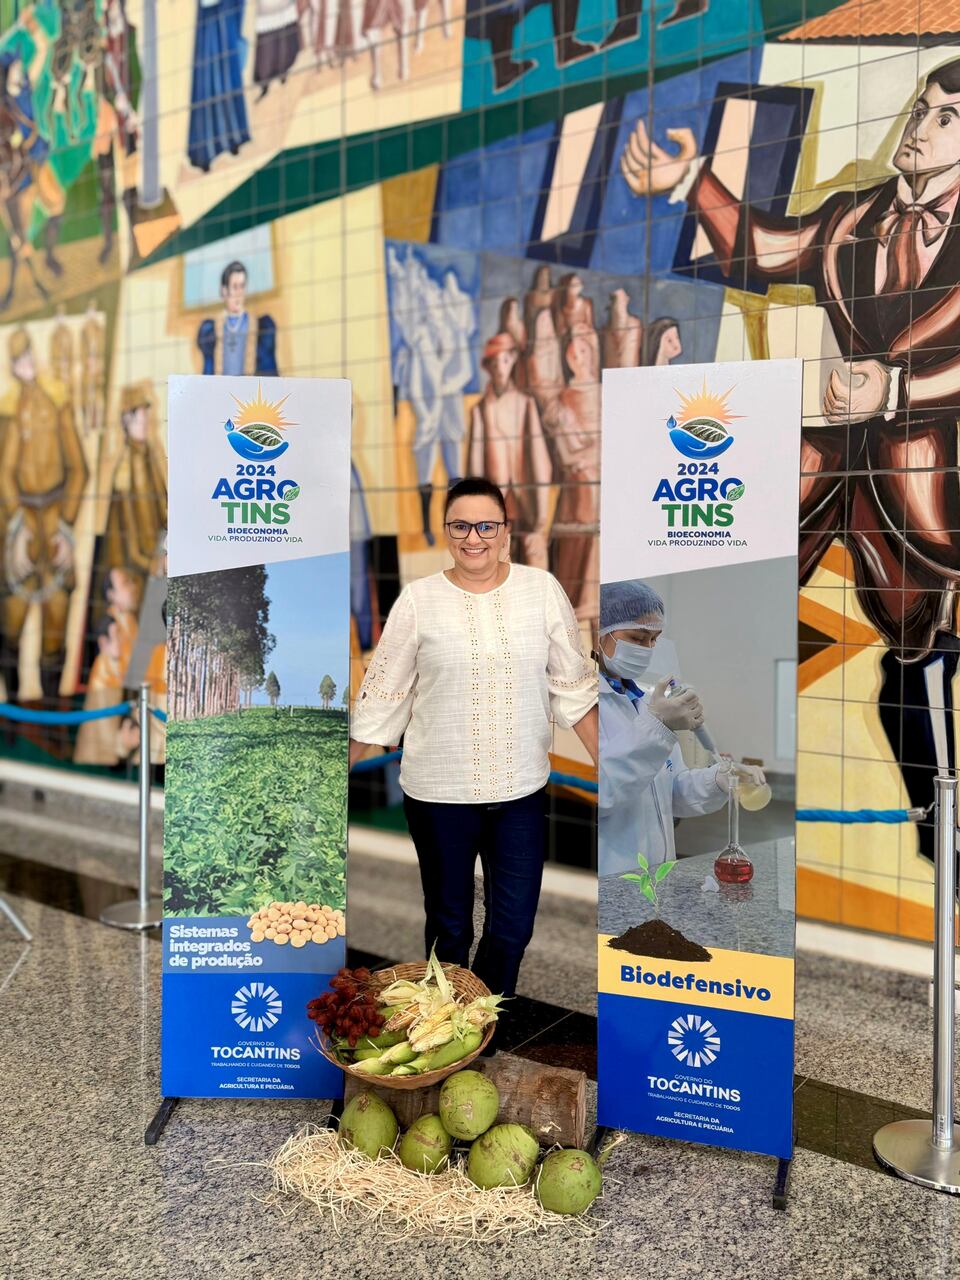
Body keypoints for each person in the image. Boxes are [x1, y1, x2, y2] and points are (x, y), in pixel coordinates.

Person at [619, 58, 960, 860]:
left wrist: (897, 385)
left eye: (946, 116)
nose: (919, 123)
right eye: (921, 106)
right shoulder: (856, 218)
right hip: (831, 464)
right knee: (733, 603)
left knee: (917, 670)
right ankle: (702, 794)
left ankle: (941, 842)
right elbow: (765, 252)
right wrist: (691, 180)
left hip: (928, 484)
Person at [349, 477, 597, 1006]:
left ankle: (478, 1017)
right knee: (449, 926)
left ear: (506, 531)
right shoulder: (418, 600)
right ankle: (446, 1028)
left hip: (520, 791)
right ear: (447, 532)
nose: (474, 538)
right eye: (461, 526)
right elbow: (382, 699)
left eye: (487, 525)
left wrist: (617, 774)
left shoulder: (541, 590)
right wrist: (329, 777)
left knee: (512, 928)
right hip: (438, 794)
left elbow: (574, 688)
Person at [598, 580, 763, 875]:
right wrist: (657, 727)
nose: (647, 649)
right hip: (610, 876)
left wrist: (717, 780)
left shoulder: (647, 703)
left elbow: (671, 793)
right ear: (598, 632)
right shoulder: (582, 704)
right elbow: (601, 792)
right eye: (637, 638)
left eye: (654, 640)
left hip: (658, 874)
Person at [0, 327, 87, 704]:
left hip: (54, 522)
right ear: (12, 366)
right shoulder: (7, 410)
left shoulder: (58, 402)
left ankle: (54, 718)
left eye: (28, 357)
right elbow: (3, 472)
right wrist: (15, 525)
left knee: (56, 625)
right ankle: (16, 716)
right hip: (19, 527)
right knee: (11, 627)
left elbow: (80, 469)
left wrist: (66, 525)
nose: (26, 365)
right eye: (18, 360)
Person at [468, 332, 552, 568]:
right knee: (498, 566)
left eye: (505, 361)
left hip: (527, 498)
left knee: (535, 563)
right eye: (494, 363)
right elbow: (475, 468)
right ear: (488, 367)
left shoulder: (525, 404)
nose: (500, 368)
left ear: (513, 361)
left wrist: (542, 516)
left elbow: (540, 458)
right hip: (496, 500)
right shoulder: (480, 410)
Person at [197, 261, 279, 376]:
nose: (239, 293)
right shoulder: (211, 330)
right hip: (221, 390)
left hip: (247, 391)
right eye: (235, 287)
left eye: (242, 286)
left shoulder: (259, 326)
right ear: (224, 291)